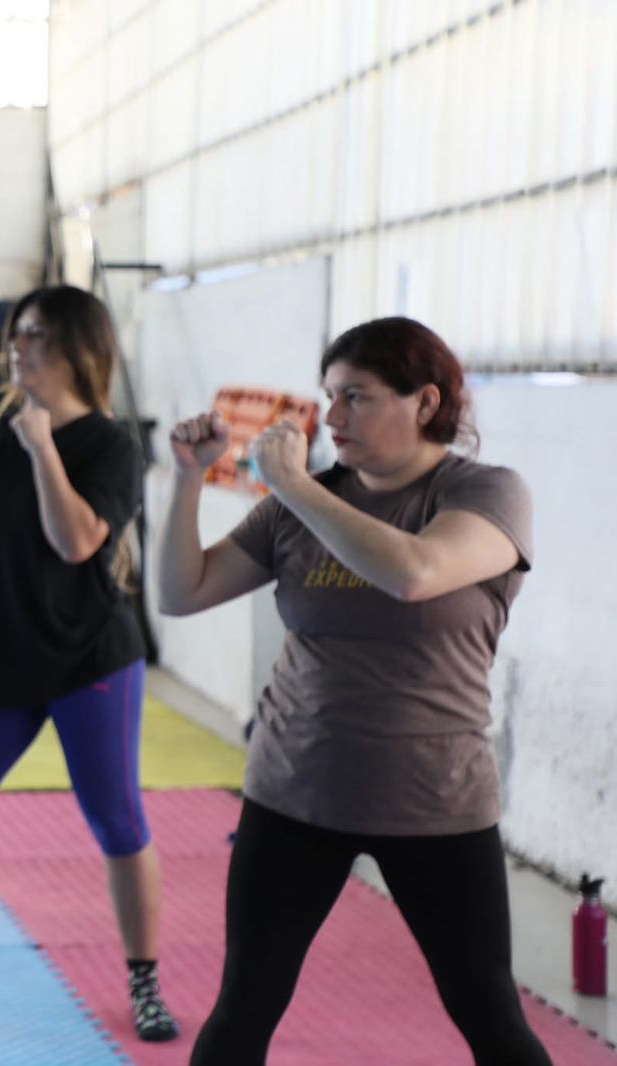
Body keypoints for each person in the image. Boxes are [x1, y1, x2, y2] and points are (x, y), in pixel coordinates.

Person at [160, 317, 551, 1066]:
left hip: (435, 799)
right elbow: (184, 591)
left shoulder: (485, 493)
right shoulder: (301, 503)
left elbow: (414, 573)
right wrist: (186, 478)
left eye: (356, 398)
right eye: (328, 397)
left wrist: (295, 486)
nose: (332, 418)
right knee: (243, 1008)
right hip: (295, 791)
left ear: (425, 401)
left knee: (490, 1016)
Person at [0, 285, 179, 1043]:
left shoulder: (108, 444)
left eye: (35, 335)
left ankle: (144, 980)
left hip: (87, 660)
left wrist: (40, 446)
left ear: (77, 349)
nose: (17, 347)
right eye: (17, 334)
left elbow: (77, 541)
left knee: (118, 820)